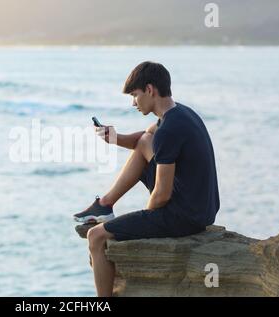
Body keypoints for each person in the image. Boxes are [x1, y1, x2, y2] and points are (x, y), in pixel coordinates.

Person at [73, 61, 220, 297]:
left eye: (135, 95)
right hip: (202, 209)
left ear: (150, 90)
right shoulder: (180, 114)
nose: (133, 103)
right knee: (143, 142)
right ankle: (105, 206)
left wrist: (147, 219)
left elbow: (162, 194)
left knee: (96, 236)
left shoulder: (169, 130)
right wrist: (114, 137)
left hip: (184, 217)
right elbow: (144, 138)